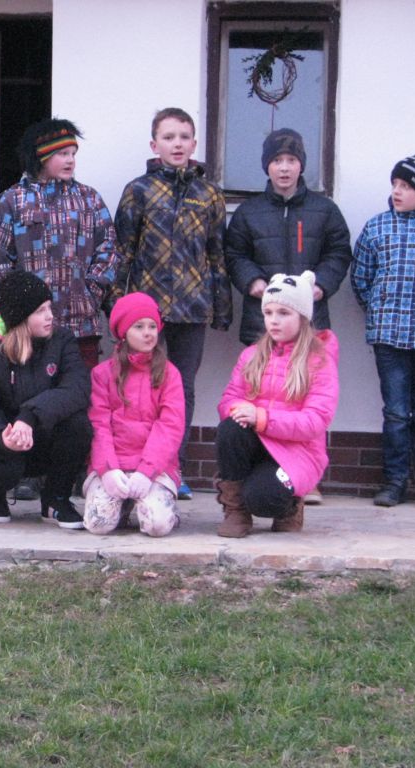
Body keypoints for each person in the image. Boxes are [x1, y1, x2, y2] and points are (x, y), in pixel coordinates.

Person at [225, 128, 351, 505]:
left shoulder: (325, 210)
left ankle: (304, 477)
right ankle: (263, 470)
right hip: (261, 322)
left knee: (305, 398)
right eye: (277, 160)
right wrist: (253, 282)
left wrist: (320, 286)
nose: (284, 168)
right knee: (263, 396)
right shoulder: (249, 212)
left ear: (301, 165)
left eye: (291, 160)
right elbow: (234, 255)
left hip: (311, 323)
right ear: (267, 166)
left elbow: (339, 252)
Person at [112, 108, 231, 499]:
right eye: (168, 137)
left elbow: (216, 253)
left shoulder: (209, 194)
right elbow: (123, 252)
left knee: (182, 389)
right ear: (154, 145)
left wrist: (221, 305)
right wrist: (115, 305)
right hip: (147, 311)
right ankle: (139, 464)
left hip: (193, 308)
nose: (176, 144)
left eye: (183, 137)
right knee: (141, 387)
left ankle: (172, 468)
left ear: (194, 144)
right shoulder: (138, 191)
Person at [351, 154, 415, 510]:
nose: (397, 191)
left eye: (405, 186)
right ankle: (393, 482)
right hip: (389, 336)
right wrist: (379, 309)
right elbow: (361, 277)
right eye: (395, 184)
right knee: (395, 412)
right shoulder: (377, 227)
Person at [0, 117, 118, 370]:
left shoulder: (89, 198)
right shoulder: (14, 200)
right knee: (32, 390)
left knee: (80, 389)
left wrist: (90, 292)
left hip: (82, 327)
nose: (70, 160)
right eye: (62, 153)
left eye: (73, 154)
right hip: (30, 327)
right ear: (41, 156)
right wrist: (19, 303)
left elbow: (109, 249)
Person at [214, 271, 339, 537]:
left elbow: (315, 421)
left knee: (263, 498)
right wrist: (240, 411)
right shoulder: (251, 355)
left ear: (302, 317)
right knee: (230, 429)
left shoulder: (320, 361)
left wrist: (262, 417)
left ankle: (290, 506)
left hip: (296, 452)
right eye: (268, 313)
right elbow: (228, 399)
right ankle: (236, 510)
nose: (273, 320)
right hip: (258, 442)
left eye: (283, 313)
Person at [0, 271, 92, 529]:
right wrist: (2, 439)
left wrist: (30, 416)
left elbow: (77, 388)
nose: (50, 316)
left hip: (43, 434)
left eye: (49, 308)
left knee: (78, 425)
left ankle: (56, 499)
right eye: (40, 311)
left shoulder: (62, 341)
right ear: (20, 317)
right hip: (6, 444)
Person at [83, 292, 184, 537]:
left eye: (152, 326)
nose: (148, 333)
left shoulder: (169, 374)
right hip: (112, 466)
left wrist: (147, 471)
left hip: (154, 468)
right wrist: (107, 469)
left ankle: (162, 507)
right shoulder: (102, 374)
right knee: (98, 524)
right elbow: (98, 425)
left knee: (157, 526)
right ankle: (124, 506)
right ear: (123, 332)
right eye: (139, 327)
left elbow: (170, 427)